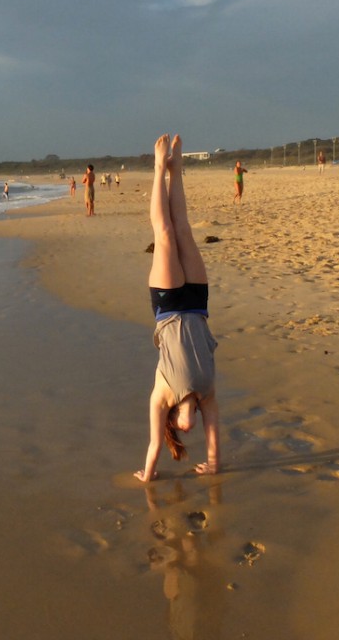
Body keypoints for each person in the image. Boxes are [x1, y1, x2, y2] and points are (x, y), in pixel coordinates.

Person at [135, 134, 220, 481]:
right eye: (192, 430)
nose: (189, 430)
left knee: (165, 233)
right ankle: (177, 169)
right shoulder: (207, 395)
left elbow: (155, 445)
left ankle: (158, 169)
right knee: (183, 228)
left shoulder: (161, 395)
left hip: (169, 307)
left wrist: (148, 474)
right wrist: (214, 464)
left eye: (180, 431)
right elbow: (214, 440)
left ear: (171, 418)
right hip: (198, 304)